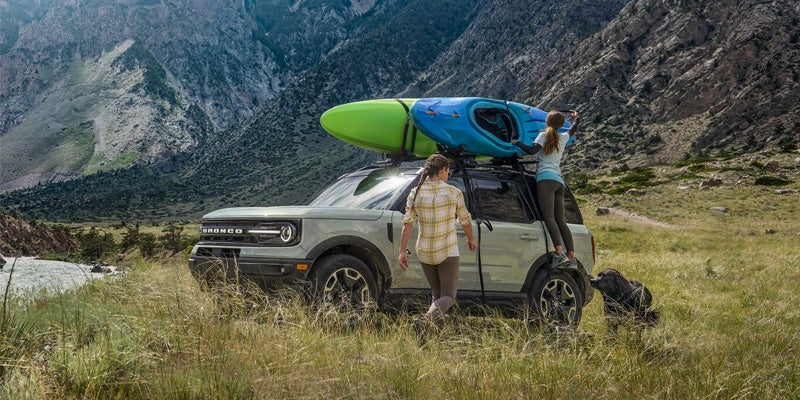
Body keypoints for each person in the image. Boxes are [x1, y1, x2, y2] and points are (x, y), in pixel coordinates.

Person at [398, 154, 477, 323]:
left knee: (438, 295)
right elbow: (465, 219)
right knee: (448, 296)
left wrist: (402, 251)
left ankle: (432, 335)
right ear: (443, 170)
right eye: (448, 171)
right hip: (447, 250)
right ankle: (425, 320)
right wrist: (471, 239)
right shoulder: (453, 192)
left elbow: (408, 223)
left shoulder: (415, 193)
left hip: (425, 251)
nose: (448, 175)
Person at [511, 110, 580, 268]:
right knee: (561, 220)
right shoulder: (564, 137)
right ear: (561, 124)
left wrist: (517, 142)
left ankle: (559, 253)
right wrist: (576, 118)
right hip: (558, 181)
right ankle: (571, 256)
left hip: (545, 179)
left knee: (549, 217)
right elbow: (573, 129)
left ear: (547, 122)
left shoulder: (543, 136)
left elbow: (531, 151)